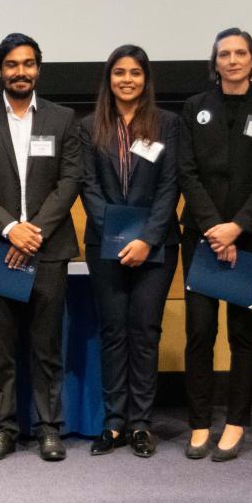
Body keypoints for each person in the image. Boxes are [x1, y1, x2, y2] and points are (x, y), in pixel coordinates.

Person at [0, 33, 82, 462]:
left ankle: (49, 429)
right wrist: (12, 229)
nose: (20, 72)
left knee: (47, 346)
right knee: (0, 348)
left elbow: (70, 181)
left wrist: (35, 231)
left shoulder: (63, 119)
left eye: (28, 64)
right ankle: (4, 430)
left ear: (38, 70)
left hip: (48, 248)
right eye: (12, 64)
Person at [178, 28, 252, 462]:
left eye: (241, 53)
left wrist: (236, 227)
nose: (233, 60)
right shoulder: (195, 107)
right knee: (200, 331)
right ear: (215, 62)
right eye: (224, 54)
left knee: (242, 332)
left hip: (249, 235)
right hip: (201, 235)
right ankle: (200, 422)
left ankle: (237, 422)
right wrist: (214, 228)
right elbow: (187, 172)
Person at [78, 45, 180, 460]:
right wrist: (119, 238)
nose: (127, 79)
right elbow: (88, 186)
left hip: (156, 246)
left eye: (135, 72)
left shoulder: (168, 124)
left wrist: (146, 239)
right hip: (106, 245)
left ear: (145, 79)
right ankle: (114, 422)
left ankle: (140, 423)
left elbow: (170, 186)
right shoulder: (88, 127)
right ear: (109, 78)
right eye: (119, 72)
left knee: (145, 331)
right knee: (113, 332)